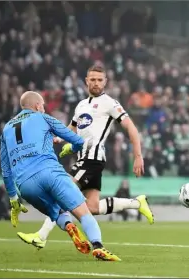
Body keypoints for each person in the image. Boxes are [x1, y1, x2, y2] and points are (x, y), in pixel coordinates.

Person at [17, 66, 154, 249]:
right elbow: (71, 130)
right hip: (84, 159)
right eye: (93, 79)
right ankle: (137, 203)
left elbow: (131, 128)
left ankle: (42, 236)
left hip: (92, 159)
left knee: (62, 192)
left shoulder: (110, 103)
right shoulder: (81, 105)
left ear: (105, 82)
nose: (96, 83)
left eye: (100, 80)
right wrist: (56, 138)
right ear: (86, 81)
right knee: (92, 207)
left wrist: (138, 156)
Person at [1, 91, 120, 261]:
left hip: (25, 185)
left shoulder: (6, 129)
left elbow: (6, 170)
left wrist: (14, 199)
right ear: (37, 105)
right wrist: (72, 149)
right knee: (83, 212)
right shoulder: (44, 118)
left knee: (56, 212)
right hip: (50, 172)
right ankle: (98, 247)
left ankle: (69, 226)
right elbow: (77, 140)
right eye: (42, 105)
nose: (43, 108)